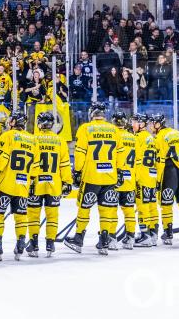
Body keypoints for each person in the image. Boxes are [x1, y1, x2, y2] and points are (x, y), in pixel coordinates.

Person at [65, 102, 123, 255]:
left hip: (91, 177)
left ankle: (78, 238)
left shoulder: (85, 128)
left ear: (92, 113)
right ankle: (104, 241)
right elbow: (120, 154)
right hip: (110, 177)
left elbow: (80, 152)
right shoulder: (114, 129)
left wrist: (77, 171)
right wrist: (120, 171)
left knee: (84, 208)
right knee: (106, 210)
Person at [0, 111, 36, 261]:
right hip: (23, 185)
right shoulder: (33, 139)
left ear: (14, 122)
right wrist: (31, 183)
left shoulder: (7, 136)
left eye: (11, 120)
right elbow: (35, 166)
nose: (9, 122)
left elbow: (2, 160)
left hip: (5, 184)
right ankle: (20, 245)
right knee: (21, 216)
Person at [26, 112, 72, 257]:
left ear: (39, 123)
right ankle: (50, 243)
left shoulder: (33, 139)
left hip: (36, 183)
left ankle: (33, 245)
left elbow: (30, 162)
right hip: (54, 184)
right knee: (52, 216)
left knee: (33, 215)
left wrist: (29, 180)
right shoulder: (60, 141)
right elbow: (64, 165)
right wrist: (67, 182)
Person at [150, 113, 179, 245]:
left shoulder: (159, 137)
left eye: (153, 123)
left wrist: (158, 180)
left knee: (166, 204)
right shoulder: (177, 133)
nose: (151, 126)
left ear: (159, 124)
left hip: (169, 172)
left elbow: (160, 160)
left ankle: (168, 233)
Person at [131, 113, 159, 247]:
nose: (132, 124)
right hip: (152, 175)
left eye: (135, 122)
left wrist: (134, 178)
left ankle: (145, 235)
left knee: (143, 207)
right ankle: (153, 234)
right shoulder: (150, 137)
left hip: (142, 175)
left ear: (142, 124)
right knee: (152, 205)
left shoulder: (137, 138)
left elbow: (135, 159)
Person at [112, 111, 137, 250]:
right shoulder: (133, 137)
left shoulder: (112, 135)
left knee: (111, 210)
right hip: (130, 179)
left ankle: (111, 237)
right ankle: (130, 238)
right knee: (129, 211)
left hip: (115, 178)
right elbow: (138, 160)